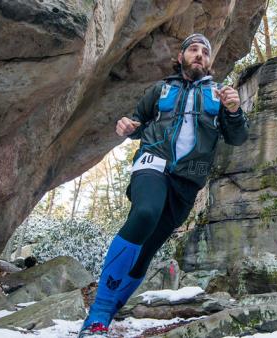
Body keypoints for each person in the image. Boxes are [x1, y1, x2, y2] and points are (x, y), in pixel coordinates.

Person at [78, 33, 249, 337]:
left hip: (187, 181)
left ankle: (112, 307)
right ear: (182, 56)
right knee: (144, 214)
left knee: (148, 249)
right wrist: (127, 126)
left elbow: (236, 137)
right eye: (193, 50)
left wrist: (234, 111)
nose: (199, 55)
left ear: (209, 61)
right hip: (152, 164)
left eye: (204, 52)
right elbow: (136, 122)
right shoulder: (159, 89)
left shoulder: (220, 95)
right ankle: (99, 312)